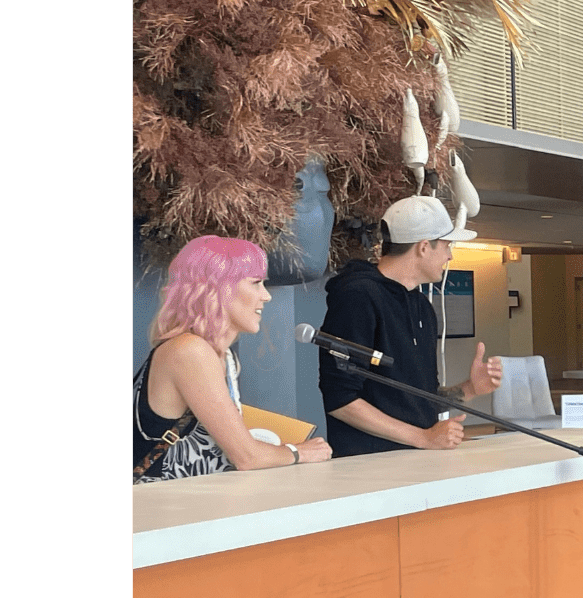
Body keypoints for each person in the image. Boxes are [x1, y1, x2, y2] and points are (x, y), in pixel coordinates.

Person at [133, 235, 332, 482]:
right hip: (159, 503)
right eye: (256, 283)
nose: (266, 296)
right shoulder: (190, 350)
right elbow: (247, 457)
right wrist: (297, 452)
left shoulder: (223, 356)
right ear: (218, 288)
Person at [318, 195, 503, 456]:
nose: (450, 256)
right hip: (369, 468)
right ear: (424, 247)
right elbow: (341, 400)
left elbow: (419, 400)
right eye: (447, 245)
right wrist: (423, 438)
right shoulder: (357, 297)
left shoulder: (422, 307)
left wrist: (470, 389)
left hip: (418, 462)